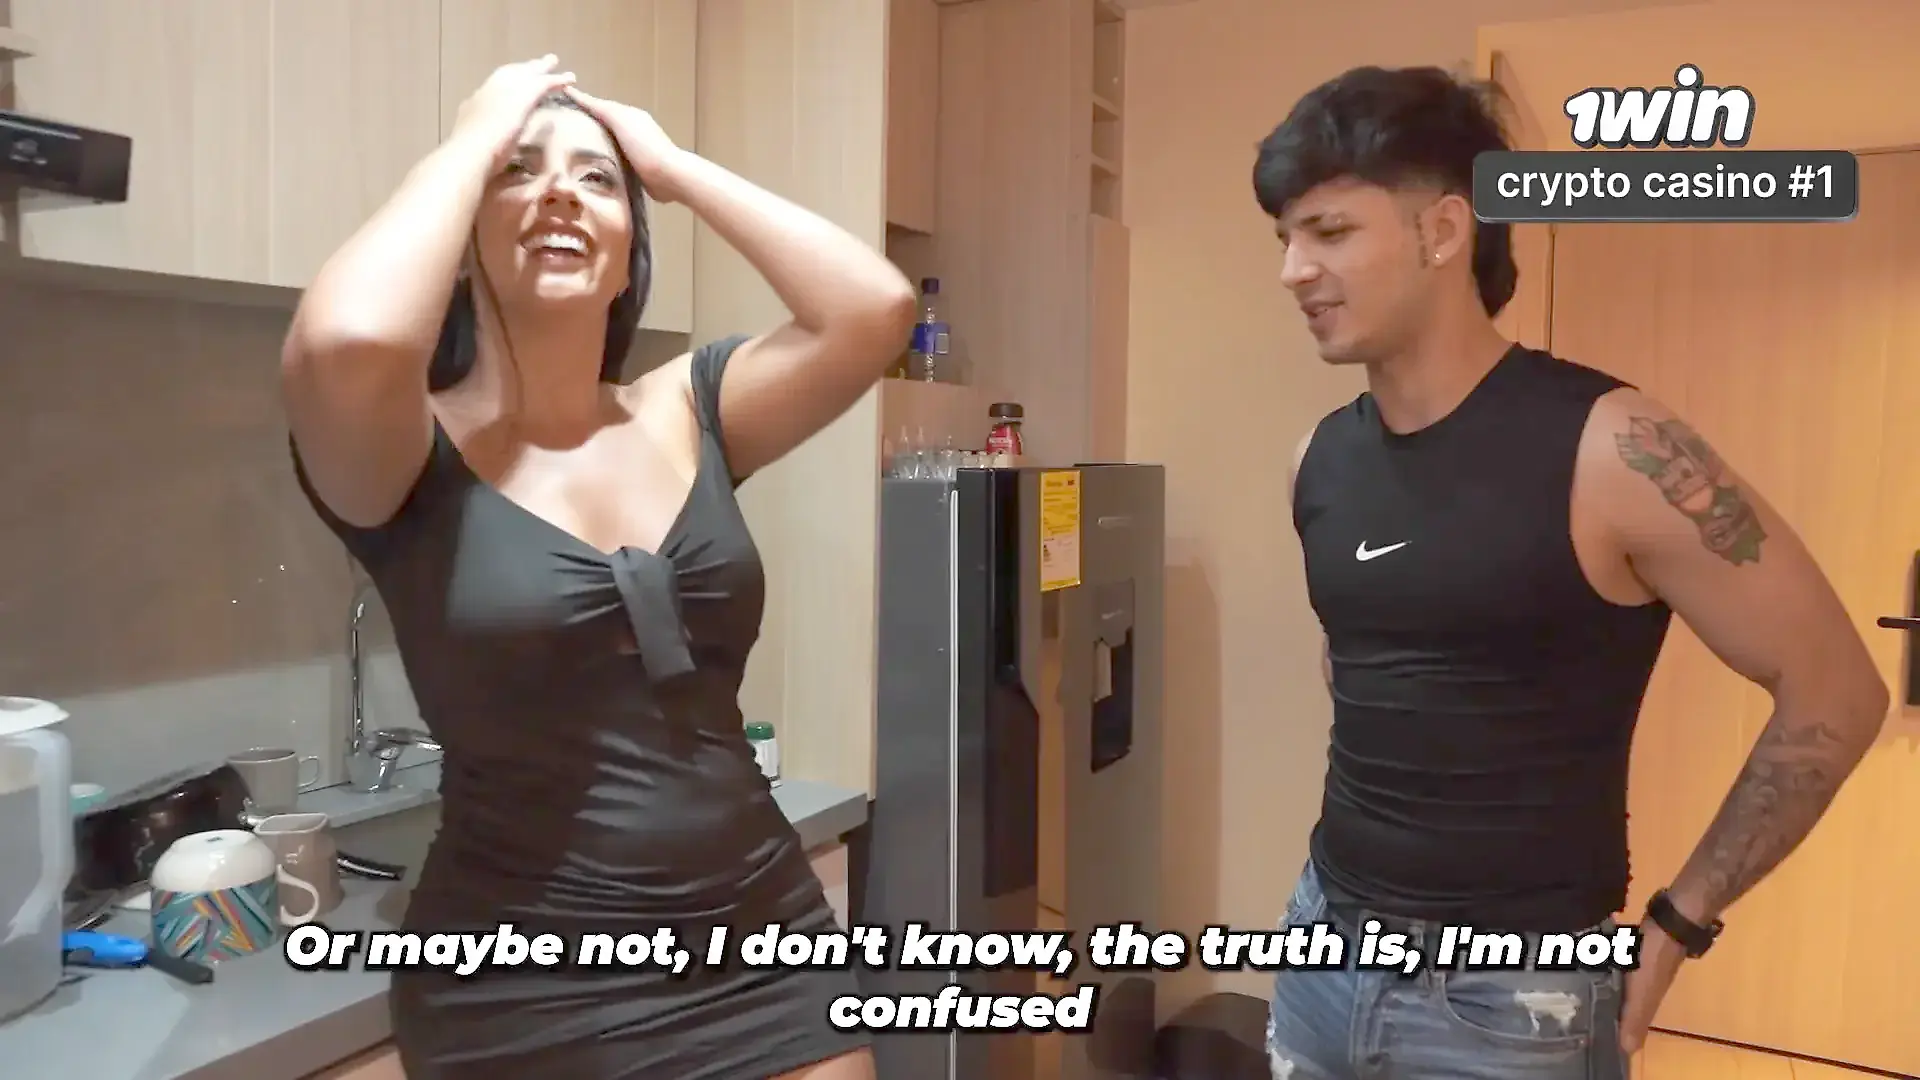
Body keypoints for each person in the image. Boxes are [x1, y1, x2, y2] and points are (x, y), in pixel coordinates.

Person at [281, 56, 916, 1079]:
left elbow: (874, 309)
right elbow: (348, 337)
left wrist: (670, 165)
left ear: (627, 262)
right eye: (519, 172)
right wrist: (472, 139)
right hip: (522, 993)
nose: (560, 194)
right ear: (456, 246)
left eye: (596, 179)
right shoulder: (402, 449)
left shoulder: (691, 406)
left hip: (764, 946)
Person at [1253, 65, 1888, 1079]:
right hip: (1322, 951)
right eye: (1285, 238)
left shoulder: (1615, 449)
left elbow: (1838, 693)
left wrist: (1680, 922)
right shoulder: (1317, 460)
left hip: (1514, 1002)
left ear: (1443, 231)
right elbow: (1363, 669)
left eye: (1328, 232)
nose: (1293, 270)